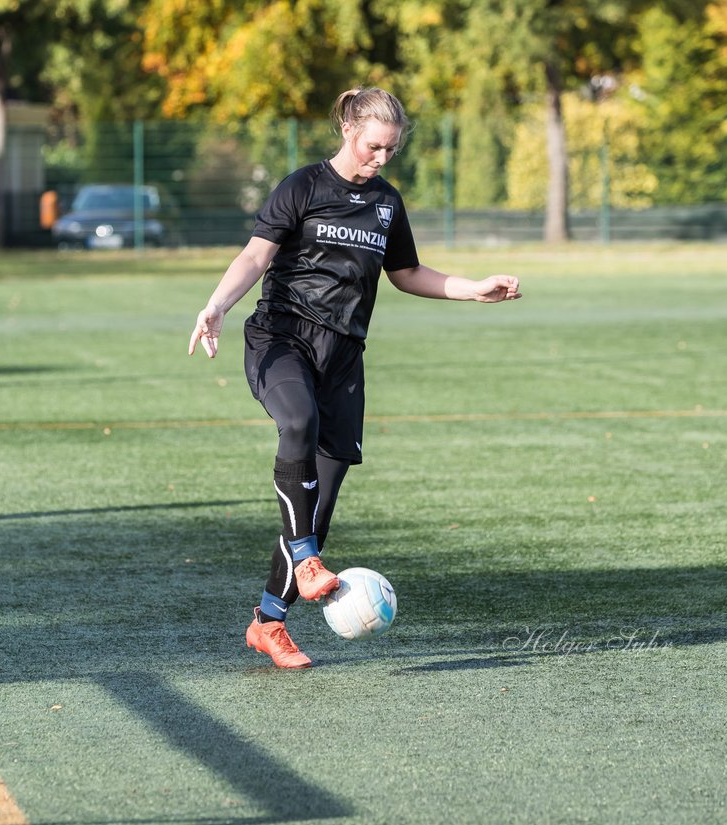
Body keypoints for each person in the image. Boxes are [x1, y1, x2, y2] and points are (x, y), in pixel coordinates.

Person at [188, 87, 521, 668]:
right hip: (281, 338)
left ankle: (269, 623)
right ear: (347, 128)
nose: (380, 158)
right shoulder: (302, 187)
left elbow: (408, 272)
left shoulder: (387, 204)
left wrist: (473, 288)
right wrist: (215, 304)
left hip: (343, 357)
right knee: (298, 420)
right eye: (373, 146)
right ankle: (307, 558)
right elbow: (254, 256)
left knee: (322, 497)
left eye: (391, 149)